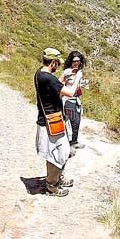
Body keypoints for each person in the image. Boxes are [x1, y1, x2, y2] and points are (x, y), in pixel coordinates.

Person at [35, 48, 80, 197]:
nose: (58, 66)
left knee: (57, 151)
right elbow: (70, 92)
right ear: (53, 62)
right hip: (52, 122)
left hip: (47, 120)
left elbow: (55, 87)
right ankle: (52, 186)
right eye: (57, 64)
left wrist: (63, 76)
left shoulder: (39, 74)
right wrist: (78, 77)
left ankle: (57, 178)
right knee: (58, 152)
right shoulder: (47, 78)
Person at [60, 51, 88, 149]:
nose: (76, 63)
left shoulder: (78, 72)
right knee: (70, 122)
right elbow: (61, 84)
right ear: (70, 61)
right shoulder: (68, 72)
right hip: (68, 100)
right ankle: (69, 145)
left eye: (78, 61)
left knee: (77, 121)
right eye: (74, 61)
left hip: (76, 100)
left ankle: (74, 141)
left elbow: (76, 86)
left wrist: (81, 85)